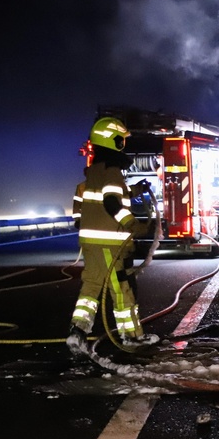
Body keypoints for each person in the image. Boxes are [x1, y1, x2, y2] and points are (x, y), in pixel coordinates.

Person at [67, 117, 158, 357]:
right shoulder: (113, 170)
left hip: (91, 243)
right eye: (121, 140)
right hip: (109, 243)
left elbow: (114, 193)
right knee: (121, 290)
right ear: (113, 141)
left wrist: (137, 190)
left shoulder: (96, 170)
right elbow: (111, 202)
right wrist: (133, 224)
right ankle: (131, 337)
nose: (123, 145)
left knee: (91, 287)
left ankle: (77, 332)